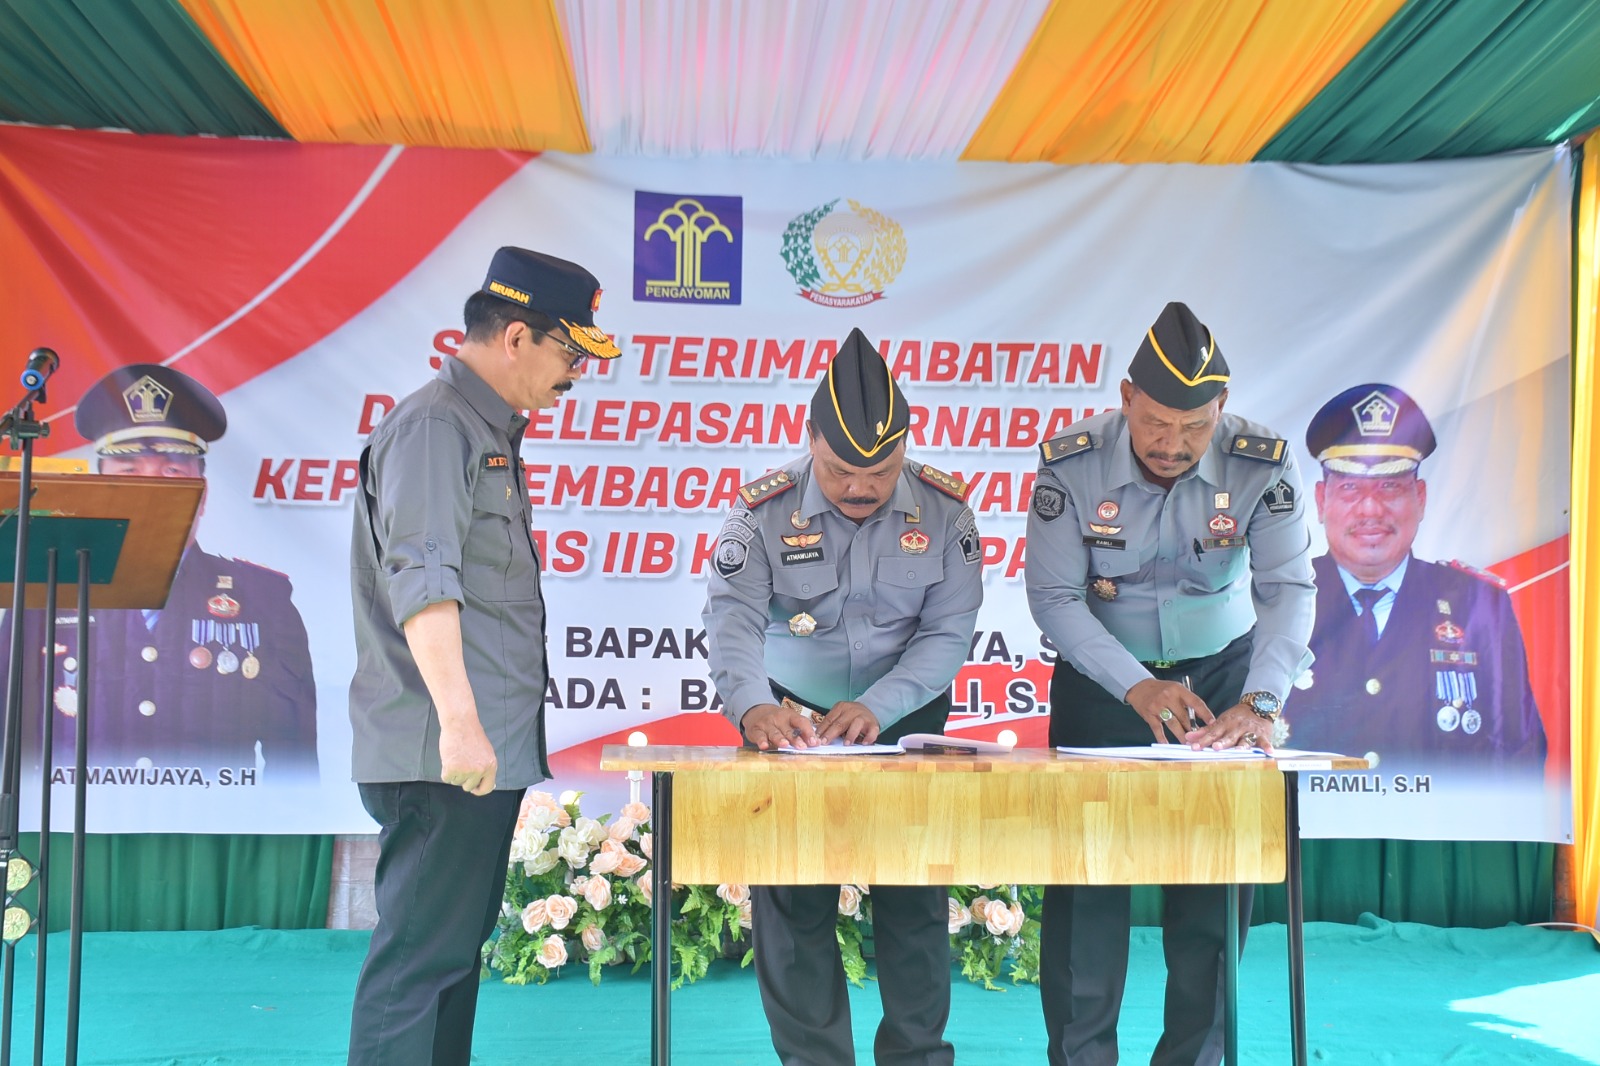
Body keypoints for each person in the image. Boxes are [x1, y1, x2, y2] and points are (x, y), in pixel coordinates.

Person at [345, 246, 619, 1066]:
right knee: (417, 968)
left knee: (449, 963)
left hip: (469, 754)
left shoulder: (479, 428)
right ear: (515, 336)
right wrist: (462, 729)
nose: (575, 373)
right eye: (569, 353)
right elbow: (424, 586)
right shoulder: (435, 426)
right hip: (443, 753)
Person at [1024, 301, 1316, 1066]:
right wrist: (1134, 687)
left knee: (1213, 899)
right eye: (1156, 423)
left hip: (1222, 684)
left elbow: (1288, 587)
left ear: (1222, 409)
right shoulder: (1071, 463)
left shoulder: (1262, 461)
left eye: (1195, 427)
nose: (1173, 445)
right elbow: (1054, 598)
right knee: (1088, 894)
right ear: (1126, 398)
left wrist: (1260, 701)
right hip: (1102, 686)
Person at [703, 327, 983, 1066]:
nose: (860, 487)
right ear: (810, 440)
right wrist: (750, 704)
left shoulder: (947, 513)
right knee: (792, 902)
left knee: (913, 899)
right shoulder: (759, 514)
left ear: (907, 448)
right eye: (839, 472)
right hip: (788, 718)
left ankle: (917, 1058)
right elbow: (730, 621)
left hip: (908, 718)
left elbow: (949, 633)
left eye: (880, 472)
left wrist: (881, 706)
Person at [6, 363, 317, 782]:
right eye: (129, 474)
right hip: (80, 827)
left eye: (172, 473)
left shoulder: (265, 599)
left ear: (202, 495)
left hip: (213, 832)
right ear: (100, 489)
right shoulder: (45, 593)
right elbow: (10, 741)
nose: (151, 493)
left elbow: (293, 764)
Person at [1282, 382, 1546, 769]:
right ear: (1322, 501)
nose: (1370, 509)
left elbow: (1521, 753)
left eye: (1390, 486)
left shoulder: (1480, 606)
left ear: (1420, 498)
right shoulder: (1278, 601)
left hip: (1441, 829)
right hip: (1308, 828)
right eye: (1351, 488)